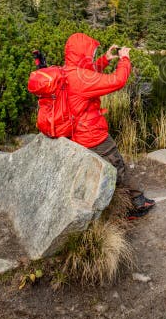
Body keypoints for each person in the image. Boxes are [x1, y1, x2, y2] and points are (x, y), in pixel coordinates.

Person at [63, 32, 155, 218]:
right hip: (91, 135)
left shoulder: (67, 70)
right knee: (117, 165)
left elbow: (87, 73)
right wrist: (124, 60)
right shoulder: (81, 79)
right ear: (83, 54)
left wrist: (105, 60)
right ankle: (136, 205)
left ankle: (109, 200)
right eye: (92, 53)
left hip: (74, 133)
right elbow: (118, 80)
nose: (93, 56)